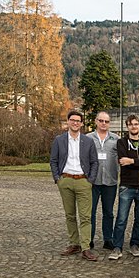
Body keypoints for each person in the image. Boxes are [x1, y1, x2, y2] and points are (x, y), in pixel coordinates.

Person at [50, 110, 99, 262]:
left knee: (85, 217)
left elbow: (94, 162)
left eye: (78, 120)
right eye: (73, 120)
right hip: (65, 181)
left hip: (83, 181)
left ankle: (85, 248)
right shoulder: (59, 140)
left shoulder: (88, 141)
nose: (75, 122)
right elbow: (53, 160)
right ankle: (74, 244)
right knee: (70, 215)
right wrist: (58, 179)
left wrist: (90, 179)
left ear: (82, 123)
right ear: (68, 122)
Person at [109, 115, 139, 260]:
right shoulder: (121, 142)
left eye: (136, 124)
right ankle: (117, 247)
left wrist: (132, 161)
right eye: (131, 124)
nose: (134, 127)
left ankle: (135, 245)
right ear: (127, 126)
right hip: (127, 186)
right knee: (122, 218)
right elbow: (122, 160)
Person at [87, 111, 119, 250]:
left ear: (109, 123)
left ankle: (108, 239)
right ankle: (89, 239)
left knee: (108, 212)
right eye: (101, 120)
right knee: (90, 212)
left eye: (106, 121)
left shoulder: (116, 139)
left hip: (110, 181)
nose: (103, 123)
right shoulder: (88, 138)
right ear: (96, 121)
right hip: (92, 182)